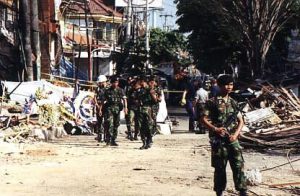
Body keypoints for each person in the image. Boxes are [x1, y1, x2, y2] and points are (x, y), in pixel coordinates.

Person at [200, 75, 247, 196]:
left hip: (232, 139)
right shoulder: (212, 102)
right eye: (226, 84)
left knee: (238, 164)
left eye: (231, 84)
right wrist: (215, 129)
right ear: (220, 86)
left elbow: (241, 121)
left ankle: (242, 190)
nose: (229, 87)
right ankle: (219, 192)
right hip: (218, 140)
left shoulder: (233, 102)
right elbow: (203, 119)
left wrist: (236, 135)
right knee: (220, 167)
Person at [103, 76, 127, 146]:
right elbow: (103, 100)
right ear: (111, 83)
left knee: (116, 124)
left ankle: (113, 139)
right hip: (109, 108)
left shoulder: (120, 90)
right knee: (109, 123)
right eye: (114, 82)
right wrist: (101, 109)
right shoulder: (108, 91)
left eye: (116, 82)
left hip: (117, 109)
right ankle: (108, 139)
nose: (115, 84)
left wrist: (125, 108)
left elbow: (124, 99)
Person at [137, 76, 157, 149]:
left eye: (140, 81)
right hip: (141, 110)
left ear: (144, 82)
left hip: (148, 109)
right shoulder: (139, 90)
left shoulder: (150, 90)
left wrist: (152, 94)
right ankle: (144, 143)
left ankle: (149, 140)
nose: (139, 83)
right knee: (141, 127)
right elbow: (137, 99)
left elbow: (155, 101)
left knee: (149, 126)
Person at [94, 75, 108, 142]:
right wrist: (96, 104)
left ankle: (105, 136)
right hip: (98, 106)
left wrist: (100, 108)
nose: (99, 84)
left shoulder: (107, 89)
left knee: (106, 122)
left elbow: (105, 100)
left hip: (105, 107)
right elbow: (95, 97)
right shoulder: (97, 89)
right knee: (99, 122)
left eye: (100, 82)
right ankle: (100, 136)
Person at [148, 75, 162, 140]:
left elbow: (160, 98)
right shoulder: (147, 88)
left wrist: (156, 97)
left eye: (153, 81)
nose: (151, 83)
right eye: (151, 81)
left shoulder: (157, 89)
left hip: (154, 106)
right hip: (147, 105)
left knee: (153, 118)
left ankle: (153, 130)